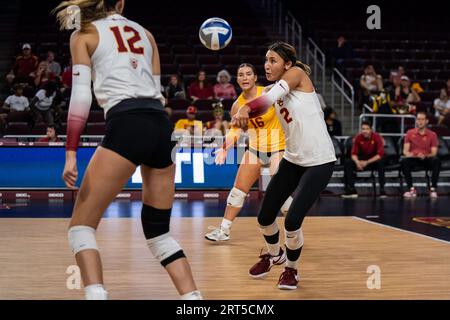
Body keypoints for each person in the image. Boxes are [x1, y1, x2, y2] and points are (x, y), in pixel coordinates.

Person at [54, 0, 200, 300]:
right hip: (162, 127)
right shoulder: (146, 34)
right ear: (120, 3)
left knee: (81, 228)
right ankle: (194, 303)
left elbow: (81, 99)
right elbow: (157, 94)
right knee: (159, 233)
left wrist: (70, 152)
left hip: (127, 123)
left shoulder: (84, 33)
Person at [232, 42, 336, 290]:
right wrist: (243, 119)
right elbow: (262, 108)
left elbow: (265, 99)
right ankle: (274, 254)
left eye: (273, 60)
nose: (267, 65)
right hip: (293, 159)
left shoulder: (298, 74)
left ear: (287, 64)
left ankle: (291, 270)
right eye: (266, 60)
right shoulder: (270, 91)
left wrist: (248, 107)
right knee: (265, 216)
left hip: (319, 161)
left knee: (292, 221)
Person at [205, 63, 293, 242]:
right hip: (255, 149)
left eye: (248, 74)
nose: (245, 77)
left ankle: (293, 231)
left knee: (281, 193)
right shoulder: (237, 105)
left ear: (254, 78)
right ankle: (224, 231)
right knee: (237, 192)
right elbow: (234, 131)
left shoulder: (268, 93)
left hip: (279, 147)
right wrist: (224, 149)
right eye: (241, 75)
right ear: (237, 79)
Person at [401, 112, 440, 198]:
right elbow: (405, 151)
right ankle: (411, 189)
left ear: (426, 121)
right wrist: (414, 155)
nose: (420, 121)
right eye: (418, 119)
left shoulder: (432, 135)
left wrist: (425, 156)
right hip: (414, 158)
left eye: (422, 119)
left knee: (436, 160)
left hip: (426, 158)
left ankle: (433, 189)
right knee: (404, 161)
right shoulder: (410, 133)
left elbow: (434, 153)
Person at [342, 121, 386, 198]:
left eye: (367, 129)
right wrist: (357, 162)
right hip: (362, 158)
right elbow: (353, 153)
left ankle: (382, 189)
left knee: (381, 162)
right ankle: (352, 190)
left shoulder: (377, 137)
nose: (365, 131)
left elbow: (380, 154)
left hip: (373, 159)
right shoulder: (358, 137)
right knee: (348, 162)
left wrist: (367, 162)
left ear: (371, 129)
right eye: (363, 129)